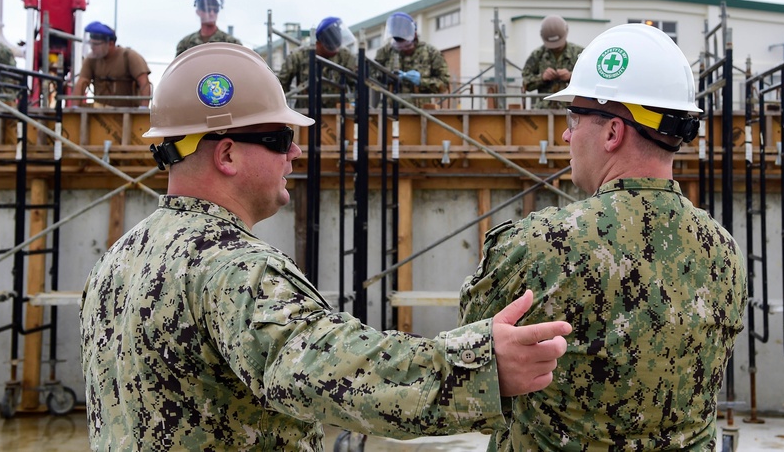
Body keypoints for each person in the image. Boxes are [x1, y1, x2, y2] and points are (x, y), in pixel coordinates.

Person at [80, 42, 572, 450]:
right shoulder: (233, 269)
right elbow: (333, 371)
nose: (295, 151)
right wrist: (481, 365)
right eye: (278, 137)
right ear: (226, 153)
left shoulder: (118, 261)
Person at [460, 23, 747, 451]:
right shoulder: (725, 251)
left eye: (574, 119)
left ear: (613, 132)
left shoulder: (537, 245)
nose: (566, 134)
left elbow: (469, 360)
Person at [374, 11, 450, 107]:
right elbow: (370, 75)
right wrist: (386, 77)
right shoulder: (386, 52)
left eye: (406, 46)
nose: (403, 49)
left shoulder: (431, 53)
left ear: (413, 35)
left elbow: (444, 84)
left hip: (420, 110)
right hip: (389, 109)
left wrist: (421, 82)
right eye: (399, 47)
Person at [278, 16, 357, 108]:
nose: (335, 51)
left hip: (337, 113)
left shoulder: (345, 56)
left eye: (337, 47)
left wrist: (353, 104)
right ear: (318, 43)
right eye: (330, 48)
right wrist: (283, 108)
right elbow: (281, 83)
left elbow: (355, 83)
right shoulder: (299, 56)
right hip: (307, 112)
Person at [74, 21, 151, 107]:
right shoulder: (91, 60)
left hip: (127, 114)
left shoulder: (129, 56)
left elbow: (144, 83)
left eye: (96, 44)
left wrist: (143, 108)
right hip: (99, 114)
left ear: (110, 43)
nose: (92, 47)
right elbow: (81, 82)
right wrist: (75, 108)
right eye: (91, 44)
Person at [521, 14, 584, 109]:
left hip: (572, 110)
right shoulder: (537, 55)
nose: (556, 47)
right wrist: (542, 78)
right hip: (543, 111)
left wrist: (571, 77)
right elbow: (526, 83)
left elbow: (591, 80)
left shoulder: (580, 53)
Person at [175, 0, 242, 56]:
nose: (212, 13)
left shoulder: (231, 43)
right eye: (208, 9)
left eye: (215, 10)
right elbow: (179, 66)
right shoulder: (186, 44)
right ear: (198, 12)